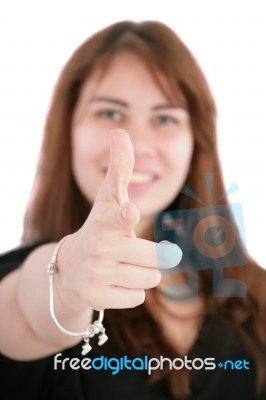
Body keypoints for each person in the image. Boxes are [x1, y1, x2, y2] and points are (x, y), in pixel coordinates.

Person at [0, 20, 265, 400]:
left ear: (195, 140)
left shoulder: (253, 292)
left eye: (164, 118)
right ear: (69, 130)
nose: (137, 144)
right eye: (109, 113)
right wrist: (67, 279)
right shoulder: (24, 279)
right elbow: (30, 311)